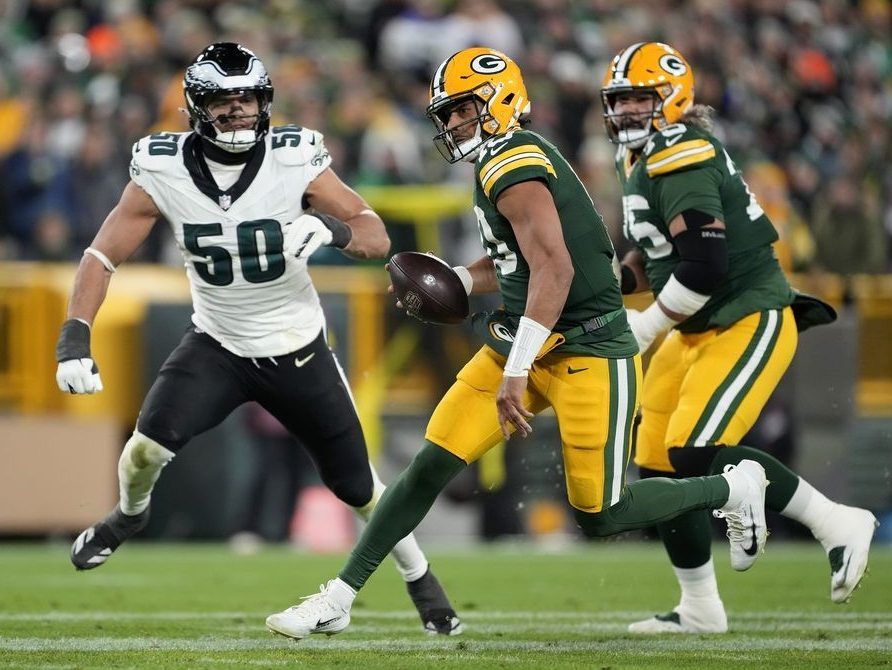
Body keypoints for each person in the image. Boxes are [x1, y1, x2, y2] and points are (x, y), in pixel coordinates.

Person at [264, 46, 772, 640]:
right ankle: (340, 596)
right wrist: (459, 278)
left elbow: (553, 268)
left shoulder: (515, 161)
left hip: (588, 349)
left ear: (499, 101)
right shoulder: (499, 162)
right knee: (430, 465)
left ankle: (733, 487)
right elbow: (514, 259)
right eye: (445, 114)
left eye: (460, 110)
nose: (450, 124)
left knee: (603, 514)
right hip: (531, 339)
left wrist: (515, 372)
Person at [55, 42, 463, 636]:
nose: (240, 111)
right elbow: (101, 254)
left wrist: (327, 228)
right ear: (198, 107)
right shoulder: (162, 167)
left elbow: (375, 235)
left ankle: (423, 583)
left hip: (296, 345)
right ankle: (129, 516)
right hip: (216, 342)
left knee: (360, 486)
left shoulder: (295, 158)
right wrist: (74, 335)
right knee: (143, 451)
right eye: (225, 101)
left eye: (248, 98)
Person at [599, 41, 879, 633]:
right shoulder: (642, 157)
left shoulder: (683, 150)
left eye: (638, 98)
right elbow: (658, 253)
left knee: (696, 453)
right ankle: (700, 606)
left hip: (745, 315)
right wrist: (606, 285)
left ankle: (837, 521)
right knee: (655, 460)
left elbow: (706, 264)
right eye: (618, 99)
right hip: (698, 323)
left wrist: (646, 326)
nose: (625, 111)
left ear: (671, 98)